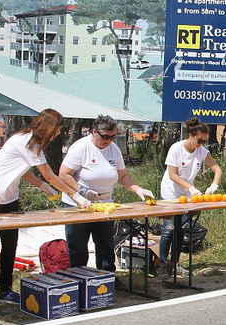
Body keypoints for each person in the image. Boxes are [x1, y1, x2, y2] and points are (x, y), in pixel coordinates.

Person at [0, 109, 88, 312]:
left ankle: (5, 291)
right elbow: (50, 176)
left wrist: (42, 187)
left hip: (10, 198)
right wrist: (75, 196)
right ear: (50, 127)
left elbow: (24, 171)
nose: (58, 133)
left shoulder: (35, 146)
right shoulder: (23, 141)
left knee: (10, 244)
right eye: (58, 129)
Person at [58, 115, 155, 271]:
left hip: (105, 204)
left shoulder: (113, 149)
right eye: (105, 136)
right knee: (78, 247)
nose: (109, 141)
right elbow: (64, 174)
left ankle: (107, 278)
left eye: (112, 136)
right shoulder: (80, 147)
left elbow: (122, 175)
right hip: (79, 205)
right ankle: (80, 280)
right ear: (94, 132)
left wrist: (138, 189)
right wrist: (81, 192)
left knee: (105, 244)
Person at [157, 118, 222, 279]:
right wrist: (190, 187)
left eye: (204, 141)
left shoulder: (202, 151)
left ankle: (176, 263)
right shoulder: (176, 149)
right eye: (199, 140)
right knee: (169, 229)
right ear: (190, 135)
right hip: (170, 194)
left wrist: (214, 185)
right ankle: (163, 264)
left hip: (187, 197)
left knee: (181, 229)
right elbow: (173, 175)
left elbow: (217, 169)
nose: (201, 144)